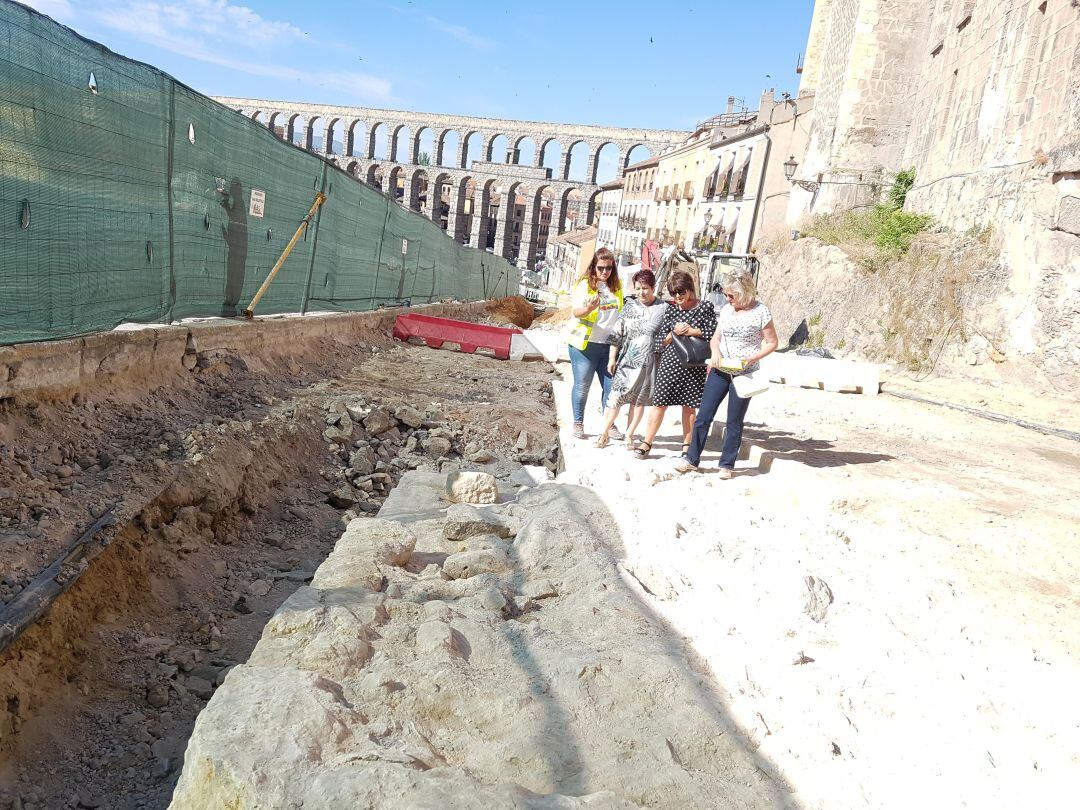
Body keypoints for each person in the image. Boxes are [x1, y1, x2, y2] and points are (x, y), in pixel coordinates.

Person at [676, 271, 778, 478]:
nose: (728, 299)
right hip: (720, 369)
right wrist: (715, 351)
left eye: (732, 295)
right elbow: (715, 338)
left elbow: (773, 342)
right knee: (703, 416)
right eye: (726, 295)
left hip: (744, 374)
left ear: (745, 292)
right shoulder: (726, 311)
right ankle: (691, 459)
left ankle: (727, 465)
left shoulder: (761, 312)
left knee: (734, 421)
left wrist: (753, 358)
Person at [633, 270, 717, 459]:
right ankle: (647, 441)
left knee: (689, 406)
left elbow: (713, 332)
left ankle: (687, 445)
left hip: (694, 364)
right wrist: (674, 332)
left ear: (689, 289)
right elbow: (659, 341)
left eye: (681, 292)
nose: (677, 296)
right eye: (673, 293)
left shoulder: (705, 307)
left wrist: (690, 330)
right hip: (670, 363)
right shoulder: (670, 310)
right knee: (659, 403)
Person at [594, 269, 667, 448]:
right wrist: (612, 358)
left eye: (645, 288)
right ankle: (604, 433)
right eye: (638, 288)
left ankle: (629, 435)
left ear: (653, 287)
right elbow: (617, 333)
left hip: (649, 364)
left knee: (638, 401)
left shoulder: (663, 309)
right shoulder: (629, 306)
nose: (641, 292)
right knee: (615, 398)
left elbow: (669, 334)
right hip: (627, 361)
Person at [567, 247, 624, 440]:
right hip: (585, 345)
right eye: (600, 268)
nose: (604, 272)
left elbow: (620, 314)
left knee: (611, 387)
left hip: (609, 346)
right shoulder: (585, 285)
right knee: (582, 385)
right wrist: (589, 308)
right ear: (594, 267)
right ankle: (578, 422)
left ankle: (610, 424)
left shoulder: (617, 287)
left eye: (608, 268)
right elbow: (576, 312)